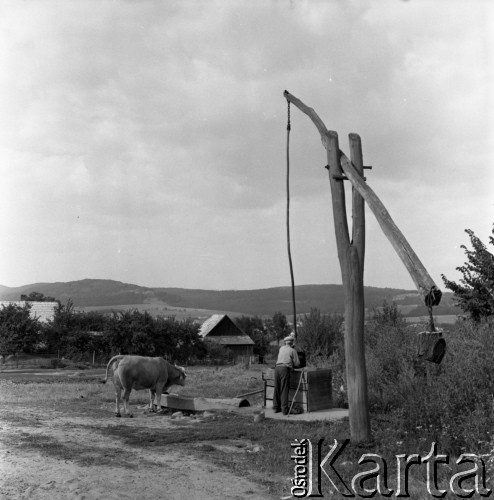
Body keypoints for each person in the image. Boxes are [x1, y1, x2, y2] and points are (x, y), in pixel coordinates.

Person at [273, 334, 301, 415]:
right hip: (284, 369)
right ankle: (285, 410)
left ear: (285, 342)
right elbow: (297, 363)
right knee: (284, 389)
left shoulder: (281, 348)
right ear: (292, 343)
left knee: (277, 388)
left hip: (277, 368)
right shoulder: (292, 350)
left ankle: (276, 407)